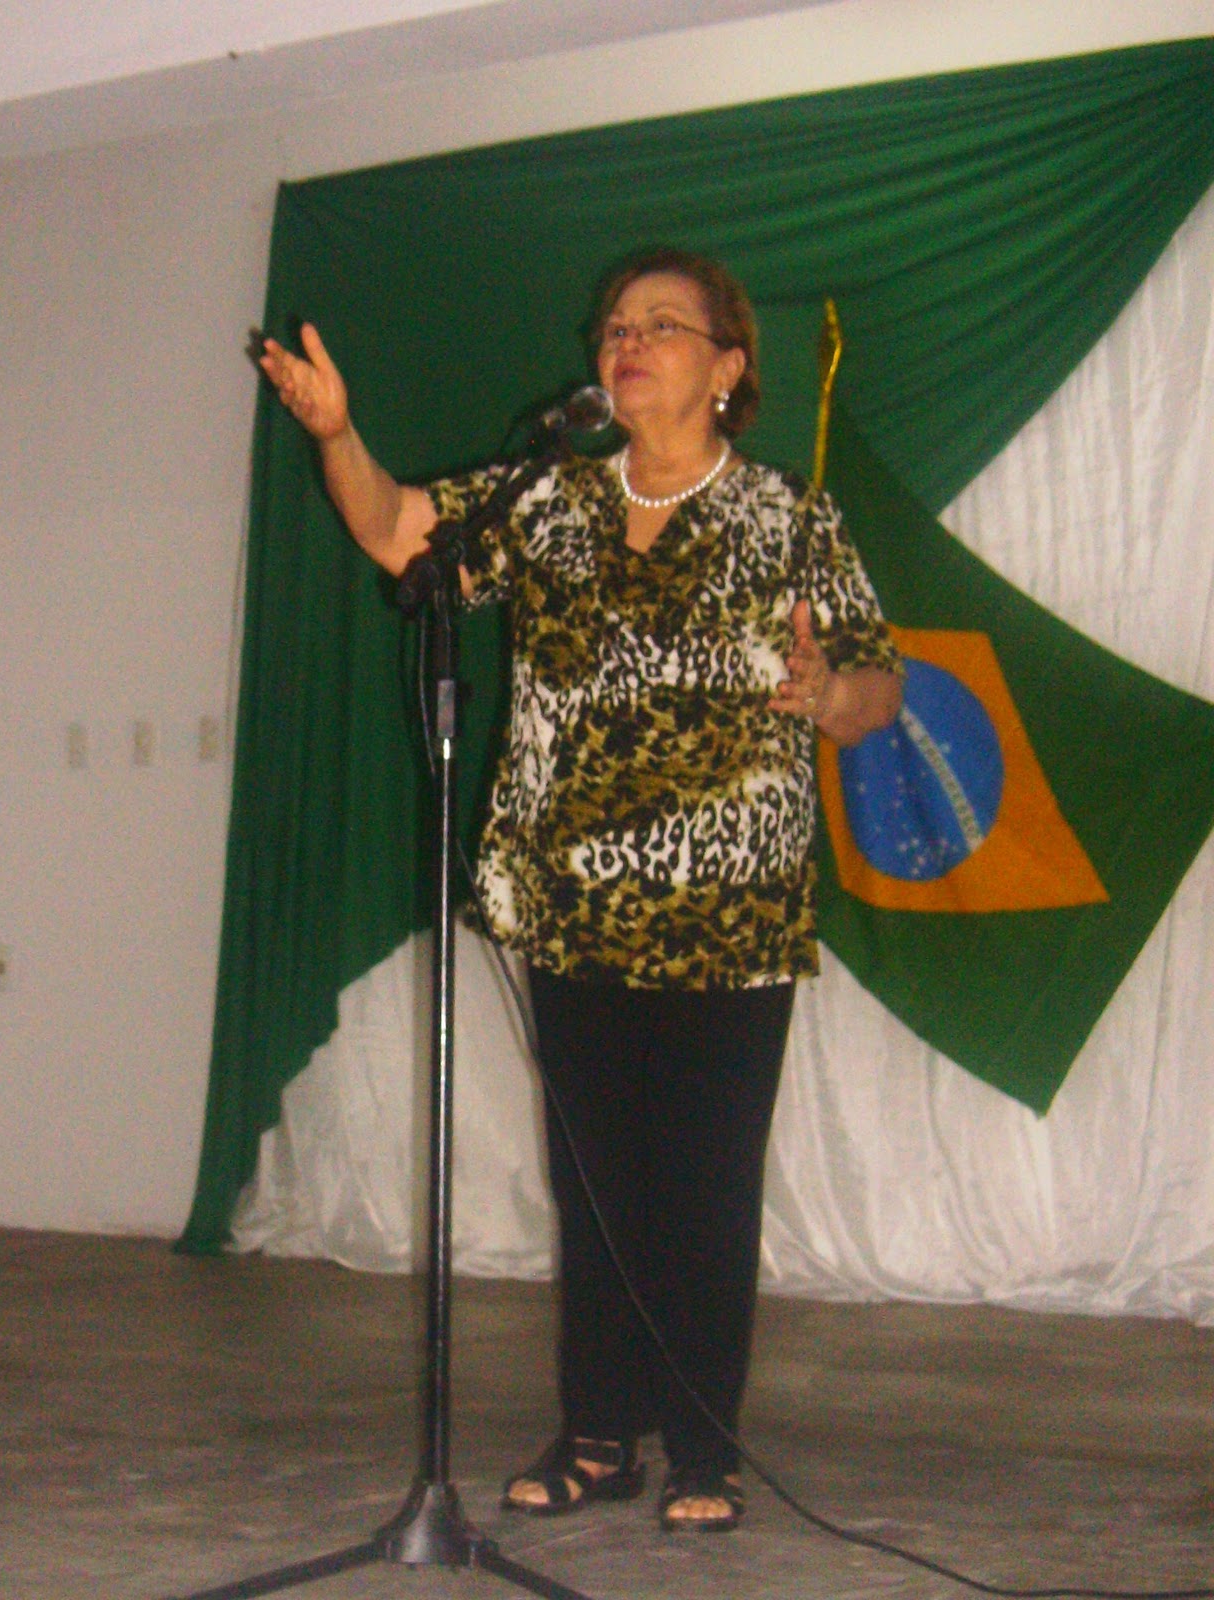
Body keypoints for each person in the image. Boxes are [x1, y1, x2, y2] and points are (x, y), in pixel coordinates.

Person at [258, 247, 902, 1532]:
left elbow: (875, 690)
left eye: (662, 324)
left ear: (727, 368)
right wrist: (337, 435)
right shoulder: (549, 499)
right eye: (615, 324)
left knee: (705, 1187)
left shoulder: (789, 517)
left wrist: (828, 691)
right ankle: (599, 1432)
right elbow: (397, 530)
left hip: (728, 912)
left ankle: (705, 1445)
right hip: (571, 905)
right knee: (596, 1184)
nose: (628, 340)